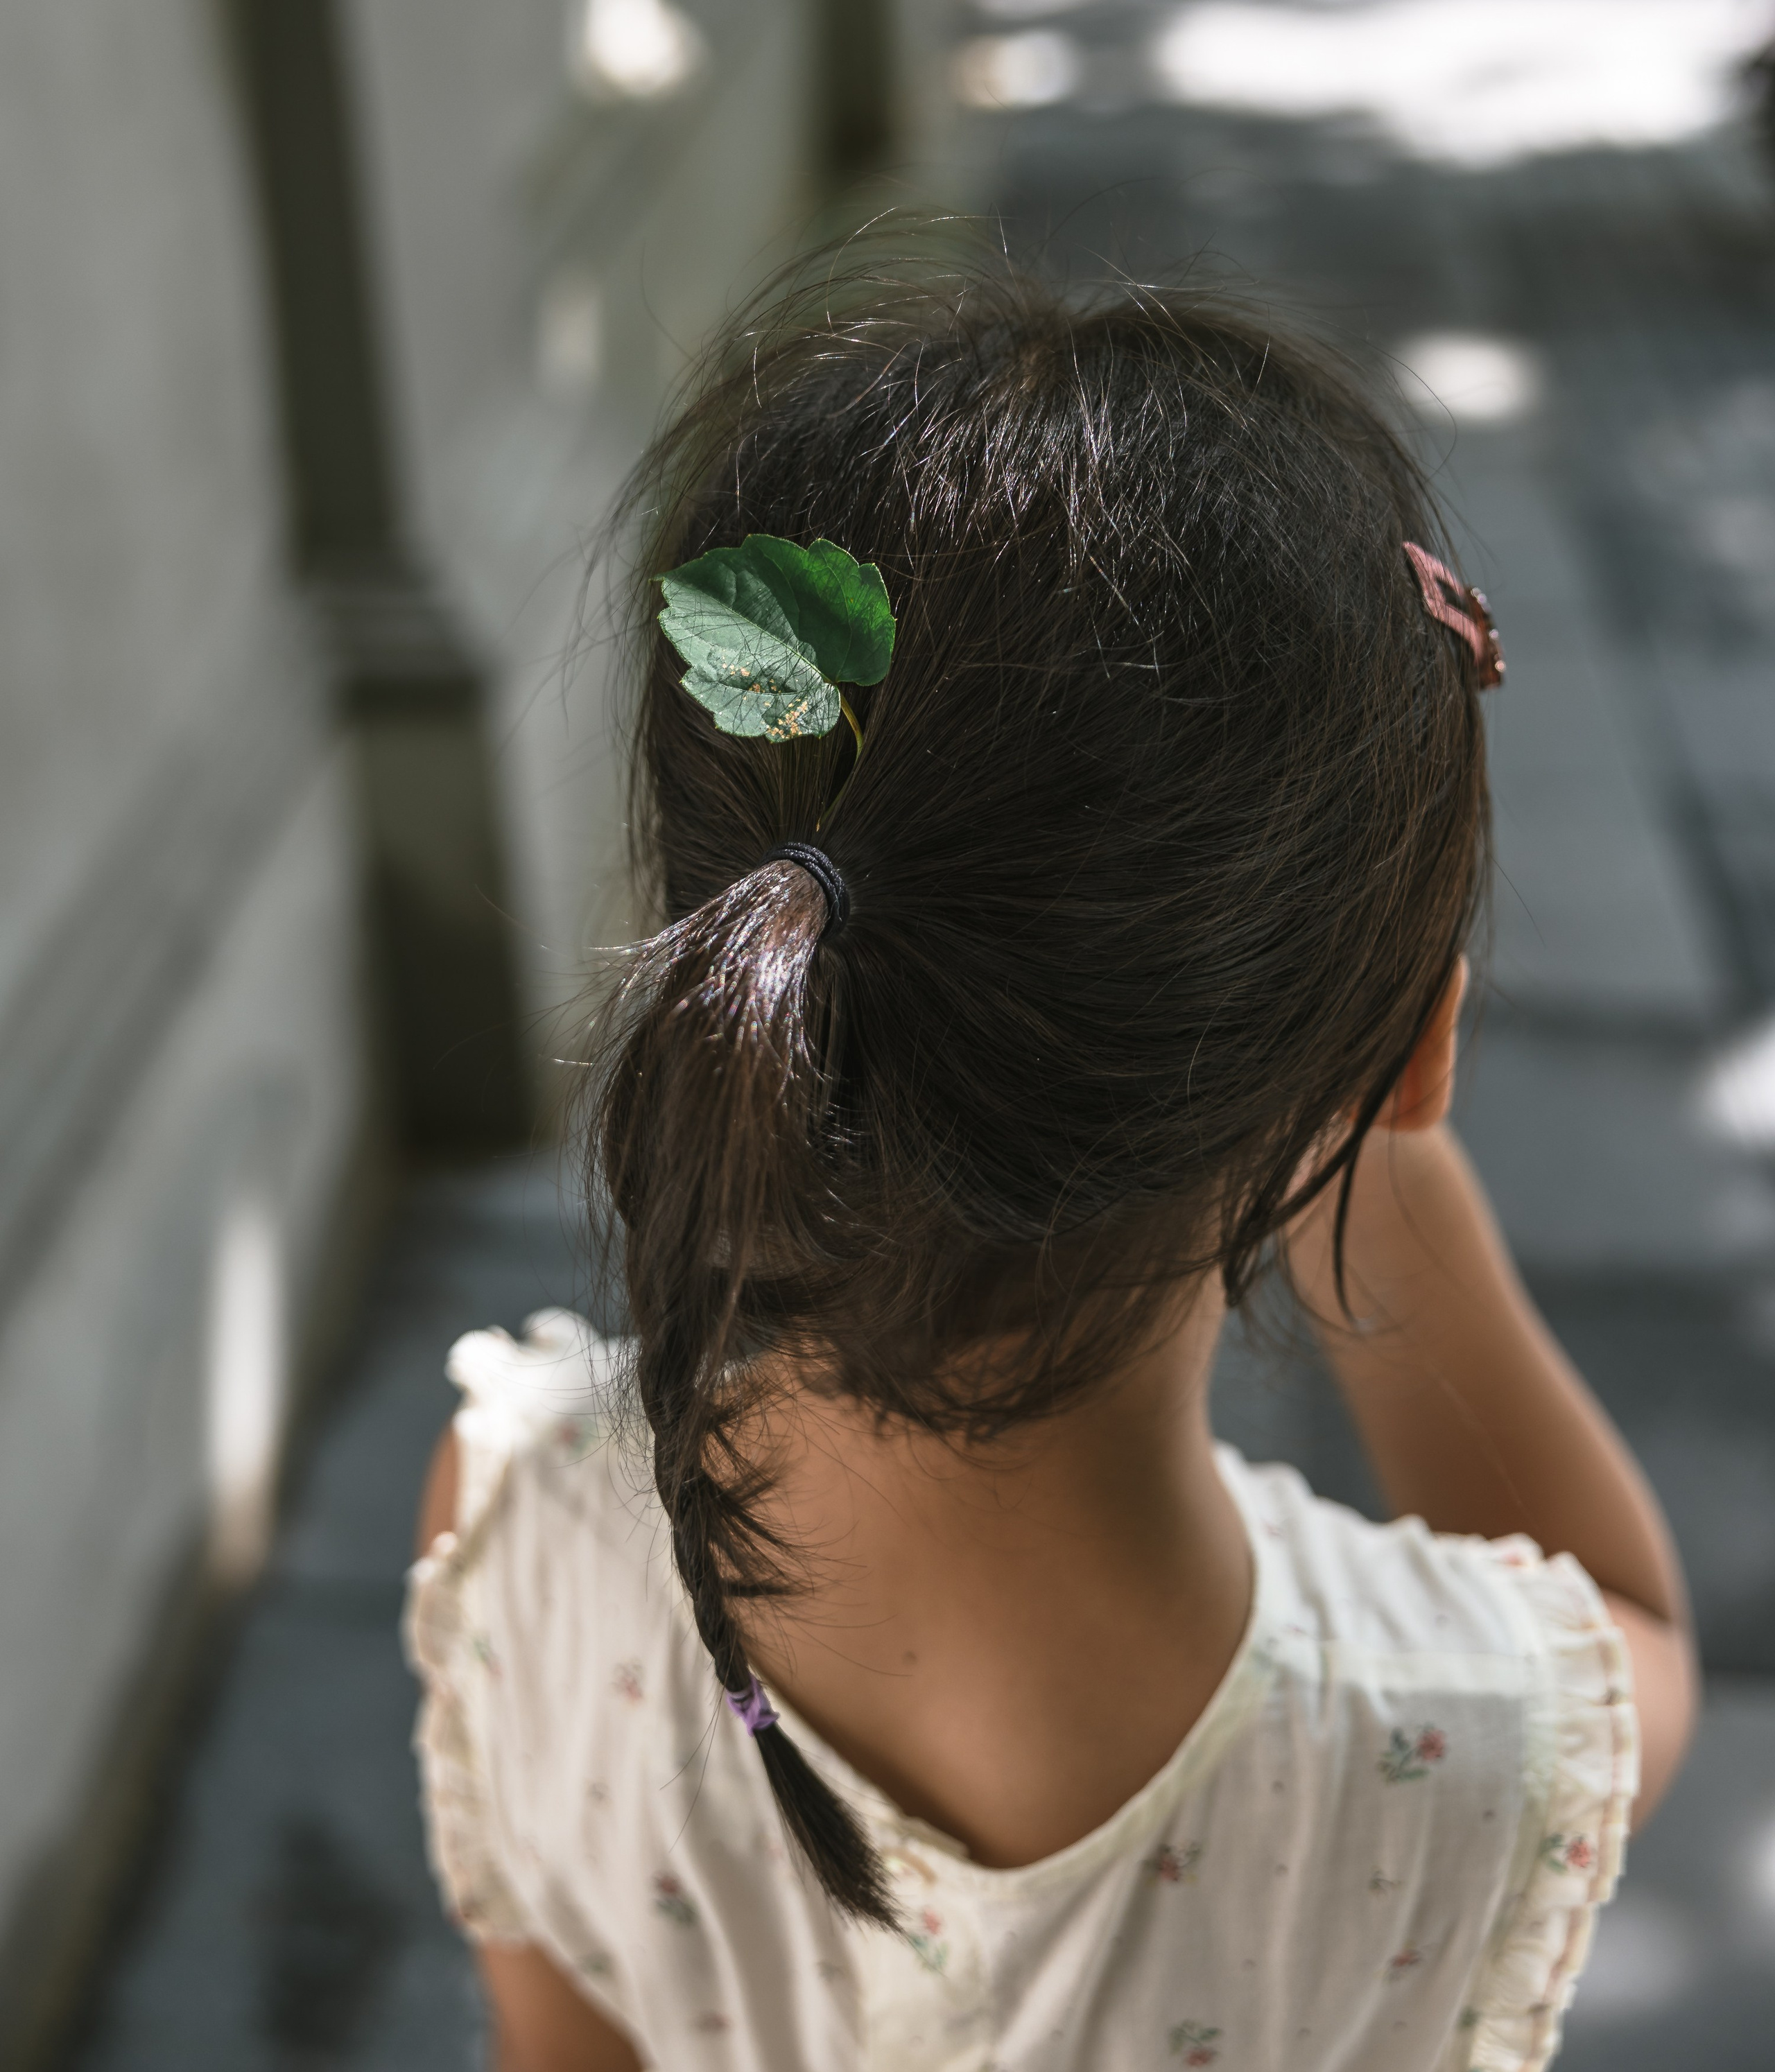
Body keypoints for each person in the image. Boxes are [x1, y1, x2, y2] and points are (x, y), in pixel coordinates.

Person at [406, 260, 1696, 2072]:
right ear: (1411, 1054)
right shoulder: (1466, 1747)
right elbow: (1637, 1643)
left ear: (740, 938)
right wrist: (1385, 1173)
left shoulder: (512, 1514)